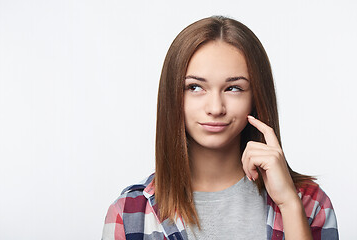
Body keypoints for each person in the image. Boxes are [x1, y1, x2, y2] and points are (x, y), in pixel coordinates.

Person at [102, 16, 338, 240]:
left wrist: (288, 203)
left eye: (234, 88)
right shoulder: (129, 213)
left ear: (256, 97)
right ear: (172, 95)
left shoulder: (309, 203)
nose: (215, 108)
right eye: (195, 87)